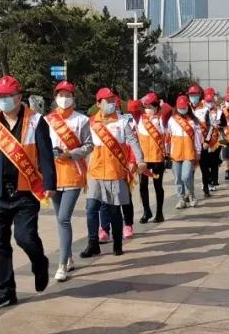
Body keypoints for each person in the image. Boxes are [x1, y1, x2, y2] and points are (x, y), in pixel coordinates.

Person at [0, 75, 56, 308]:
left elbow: (46, 156)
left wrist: (49, 185)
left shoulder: (36, 122)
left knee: (25, 237)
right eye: (0, 97)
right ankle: (6, 291)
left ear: (19, 97)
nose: (4, 100)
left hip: (25, 193)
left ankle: (39, 263)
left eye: (8, 96)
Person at [82, 88, 144, 258]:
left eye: (112, 100)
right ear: (98, 103)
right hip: (94, 173)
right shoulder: (91, 123)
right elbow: (85, 146)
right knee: (91, 208)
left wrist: (139, 160)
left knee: (114, 210)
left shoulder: (123, 122)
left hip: (115, 173)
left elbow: (133, 142)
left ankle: (117, 243)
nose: (110, 103)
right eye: (106, 100)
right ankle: (93, 243)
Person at [45, 81, 93, 282]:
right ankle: (70, 257)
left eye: (68, 94)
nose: (64, 98)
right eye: (60, 94)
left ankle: (62, 264)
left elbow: (89, 145)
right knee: (60, 219)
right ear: (55, 97)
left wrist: (70, 153)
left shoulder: (81, 120)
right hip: (53, 175)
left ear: (73, 97)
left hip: (74, 172)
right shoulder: (47, 120)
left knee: (64, 218)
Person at [136, 92, 168, 223]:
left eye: (150, 107)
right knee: (143, 185)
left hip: (157, 160)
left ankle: (159, 213)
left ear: (156, 107)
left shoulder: (161, 119)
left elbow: (168, 109)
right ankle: (146, 211)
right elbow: (133, 106)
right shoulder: (139, 119)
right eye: (146, 107)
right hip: (144, 160)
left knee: (157, 185)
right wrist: (142, 100)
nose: (148, 109)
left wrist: (160, 105)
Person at [168, 95, 203, 208]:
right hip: (175, 153)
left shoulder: (194, 120)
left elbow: (198, 137)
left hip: (189, 152)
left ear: (187, 106)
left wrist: (198, 151)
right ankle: (181, 199)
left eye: (184, 107)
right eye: (180, 107)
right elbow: (168, 137)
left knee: (186, 176)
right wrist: (167, 151)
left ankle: (191, 194)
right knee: (178, 178)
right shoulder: (172, 120)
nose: (182, 109)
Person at [195, 88, 223, 196]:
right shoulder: (197, 111)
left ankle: (212, 181)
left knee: (214, 162)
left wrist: (222, 143)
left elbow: (218, 127)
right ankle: (207, 184)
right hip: (201, 143)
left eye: (212, 97)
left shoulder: (218, 110)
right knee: (204, 166)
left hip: (215, 141)